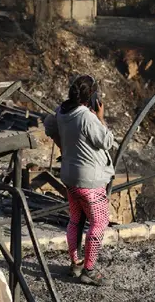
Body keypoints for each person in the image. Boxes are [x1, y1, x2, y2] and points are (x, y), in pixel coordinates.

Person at [44, 75, 114, 286]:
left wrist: (63, 146)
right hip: (90, 181)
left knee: (76, 219)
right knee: (99, 222)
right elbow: (107, 141)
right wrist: (101, 118)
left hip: (70, 177)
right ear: (91, 96)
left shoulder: (62, 111)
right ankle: (89, 271)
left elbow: (48, 125)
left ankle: (76, 265)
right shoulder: (86, 117)